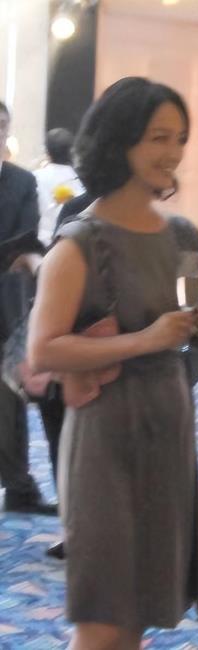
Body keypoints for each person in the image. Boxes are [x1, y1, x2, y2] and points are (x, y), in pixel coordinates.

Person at [27, 77, 198, 650]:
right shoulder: (81, 243)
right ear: (119, 141)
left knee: (138, 610)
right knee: (102, 617)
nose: (173, 152)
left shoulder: (183, 235)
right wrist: (145, 340)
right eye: (159, 137)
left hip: (168, 434)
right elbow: (43, 350)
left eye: (180, 138)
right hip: (105, 442)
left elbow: (188, 334)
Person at [0, 99, 57, 516]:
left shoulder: (21, 181)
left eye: (2, 125)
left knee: (9, 396)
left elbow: (25, 238)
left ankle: (19, 486)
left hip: (6, 302)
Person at [33, 128, 85, 245]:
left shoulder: (34, 177)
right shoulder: (81, 182)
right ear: (72, 151)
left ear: (47, 152)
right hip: (69, 243)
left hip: (39, 243)